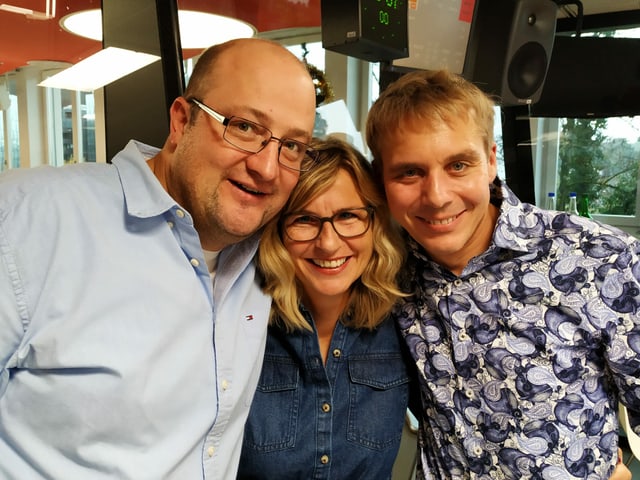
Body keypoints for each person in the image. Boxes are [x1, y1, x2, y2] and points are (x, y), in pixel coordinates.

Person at [0, 38, 317, 479]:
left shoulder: (271, 250)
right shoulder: (27, 220)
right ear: (181, 120)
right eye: (244, 127)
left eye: (292, 147)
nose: (266, 167)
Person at [365, 69, 640, 479]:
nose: (437, 196)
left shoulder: (599, 257)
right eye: (409, 172)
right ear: (381, 179)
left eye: (458, 165)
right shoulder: (385, 266)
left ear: (491, 160)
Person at [237, 136, 415, 479]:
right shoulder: (241, 323)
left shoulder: (406, 324)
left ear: (374, 224)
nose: (328, 243)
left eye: (348, 215)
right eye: (304, 219)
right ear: (278, 230)